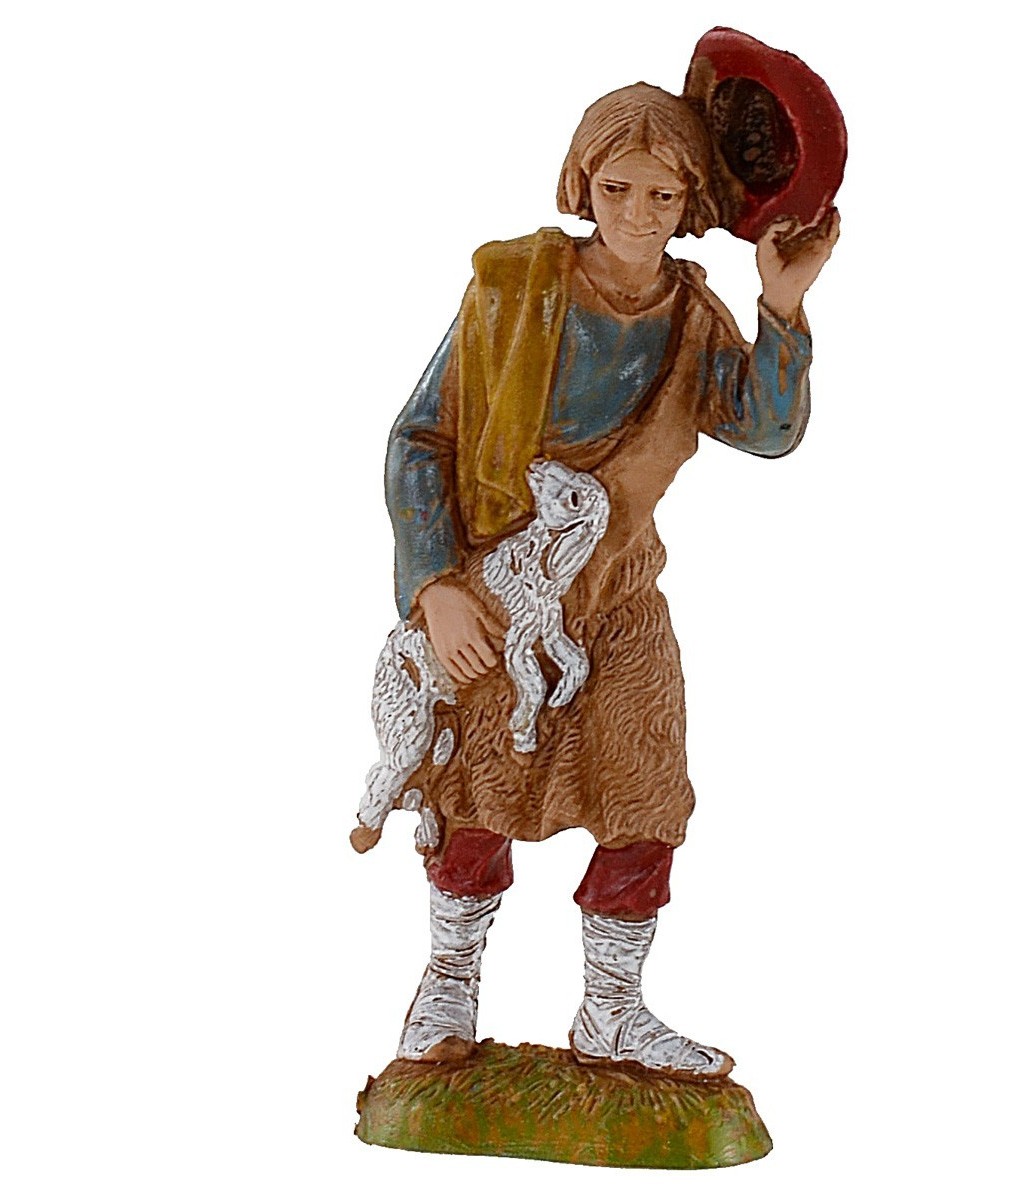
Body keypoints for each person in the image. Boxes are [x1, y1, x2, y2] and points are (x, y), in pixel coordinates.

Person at [384, 82, 838, 1079]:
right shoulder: (513, 291)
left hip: (620, 591)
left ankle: (613, 1012)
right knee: (481, 785)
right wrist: (436, 585)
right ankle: (449, 982)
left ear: (691, 204)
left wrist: (782, 305)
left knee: (647, 787)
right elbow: (420, 439)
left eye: (663, 196)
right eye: (618, 188)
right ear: (583, 184)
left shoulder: (691, 315)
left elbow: (765, 429)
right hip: (504, 584)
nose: (637, 214)